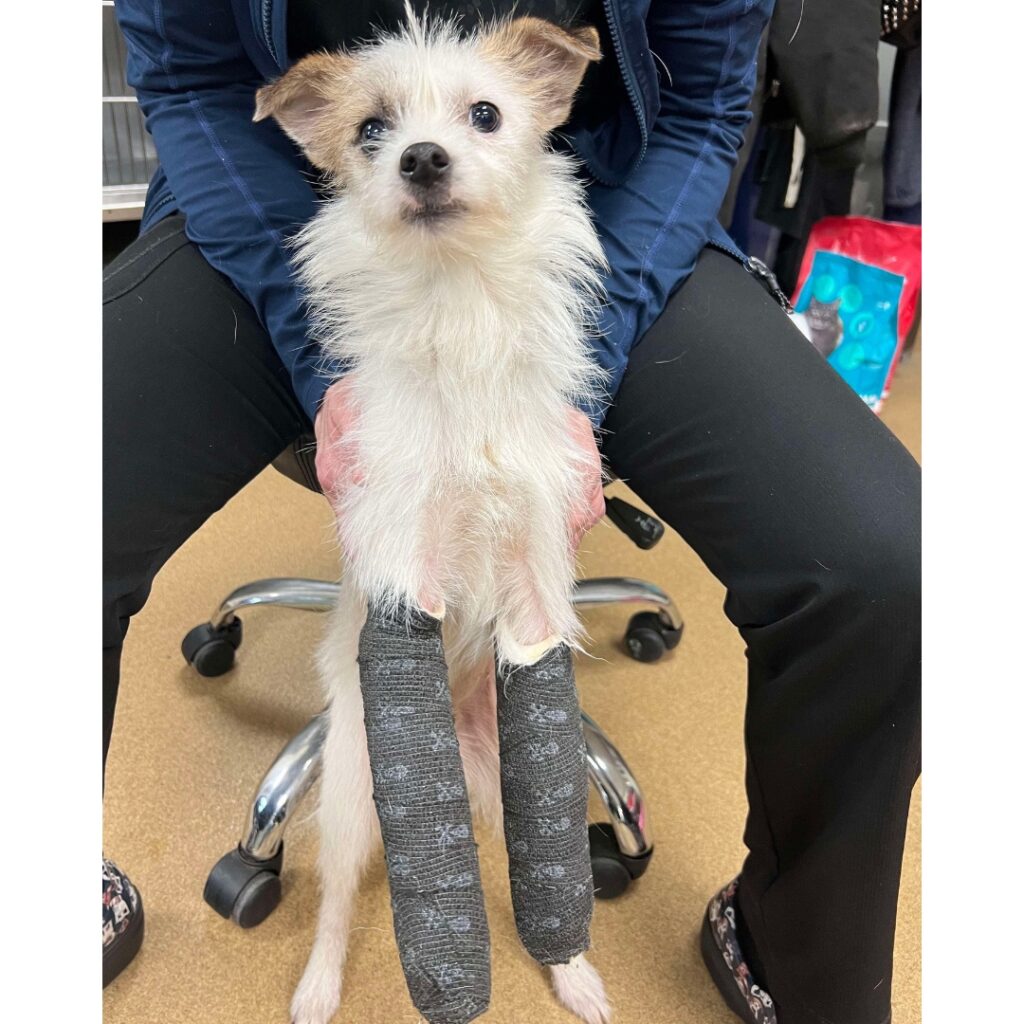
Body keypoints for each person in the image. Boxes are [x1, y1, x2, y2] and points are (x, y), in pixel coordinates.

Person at [104, 2, 921, 1022]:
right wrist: (326, 367)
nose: (423, 150)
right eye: (377, 126)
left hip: (602, 229)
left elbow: (705, 103)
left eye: (476, 114)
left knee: (888, 561)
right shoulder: (323, 159)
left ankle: (785, 954)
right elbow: (188, 80)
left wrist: (576, 376)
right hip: (270, 221)